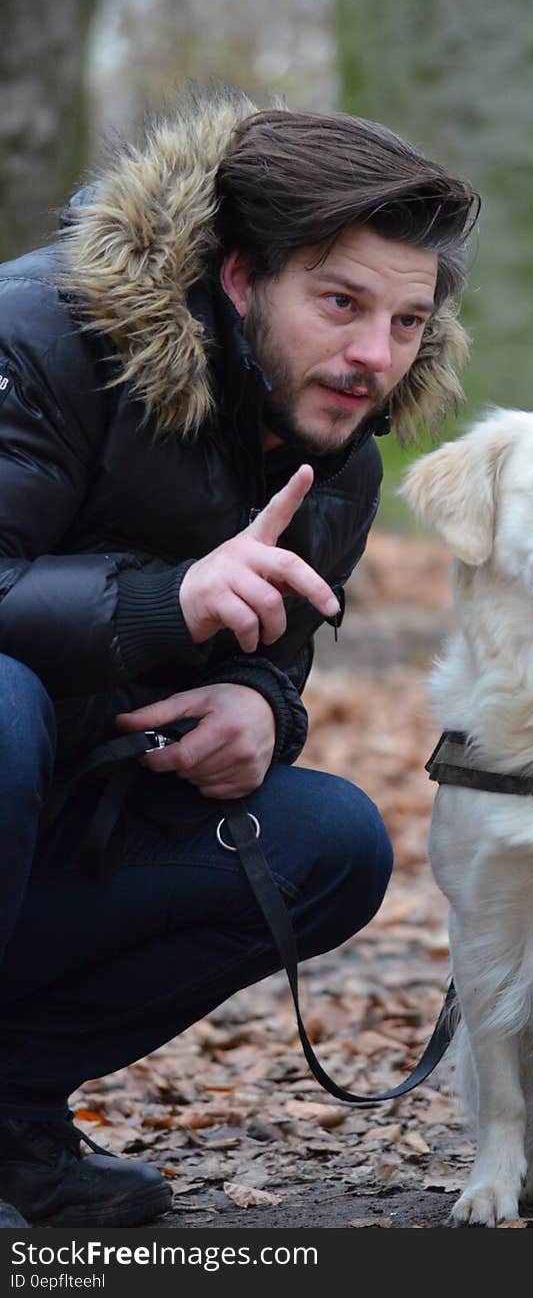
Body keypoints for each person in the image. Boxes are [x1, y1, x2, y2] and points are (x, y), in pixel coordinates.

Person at [0, 89, 479, 1227]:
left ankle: (11, 1117)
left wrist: (264, 711)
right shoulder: (39, 336)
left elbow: (276, 656)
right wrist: (167, 602)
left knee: (330, 842)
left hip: (74, 808)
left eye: (407, 323)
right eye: (340, 303)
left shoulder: (337, 449)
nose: (374, 357)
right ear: (238, 277)